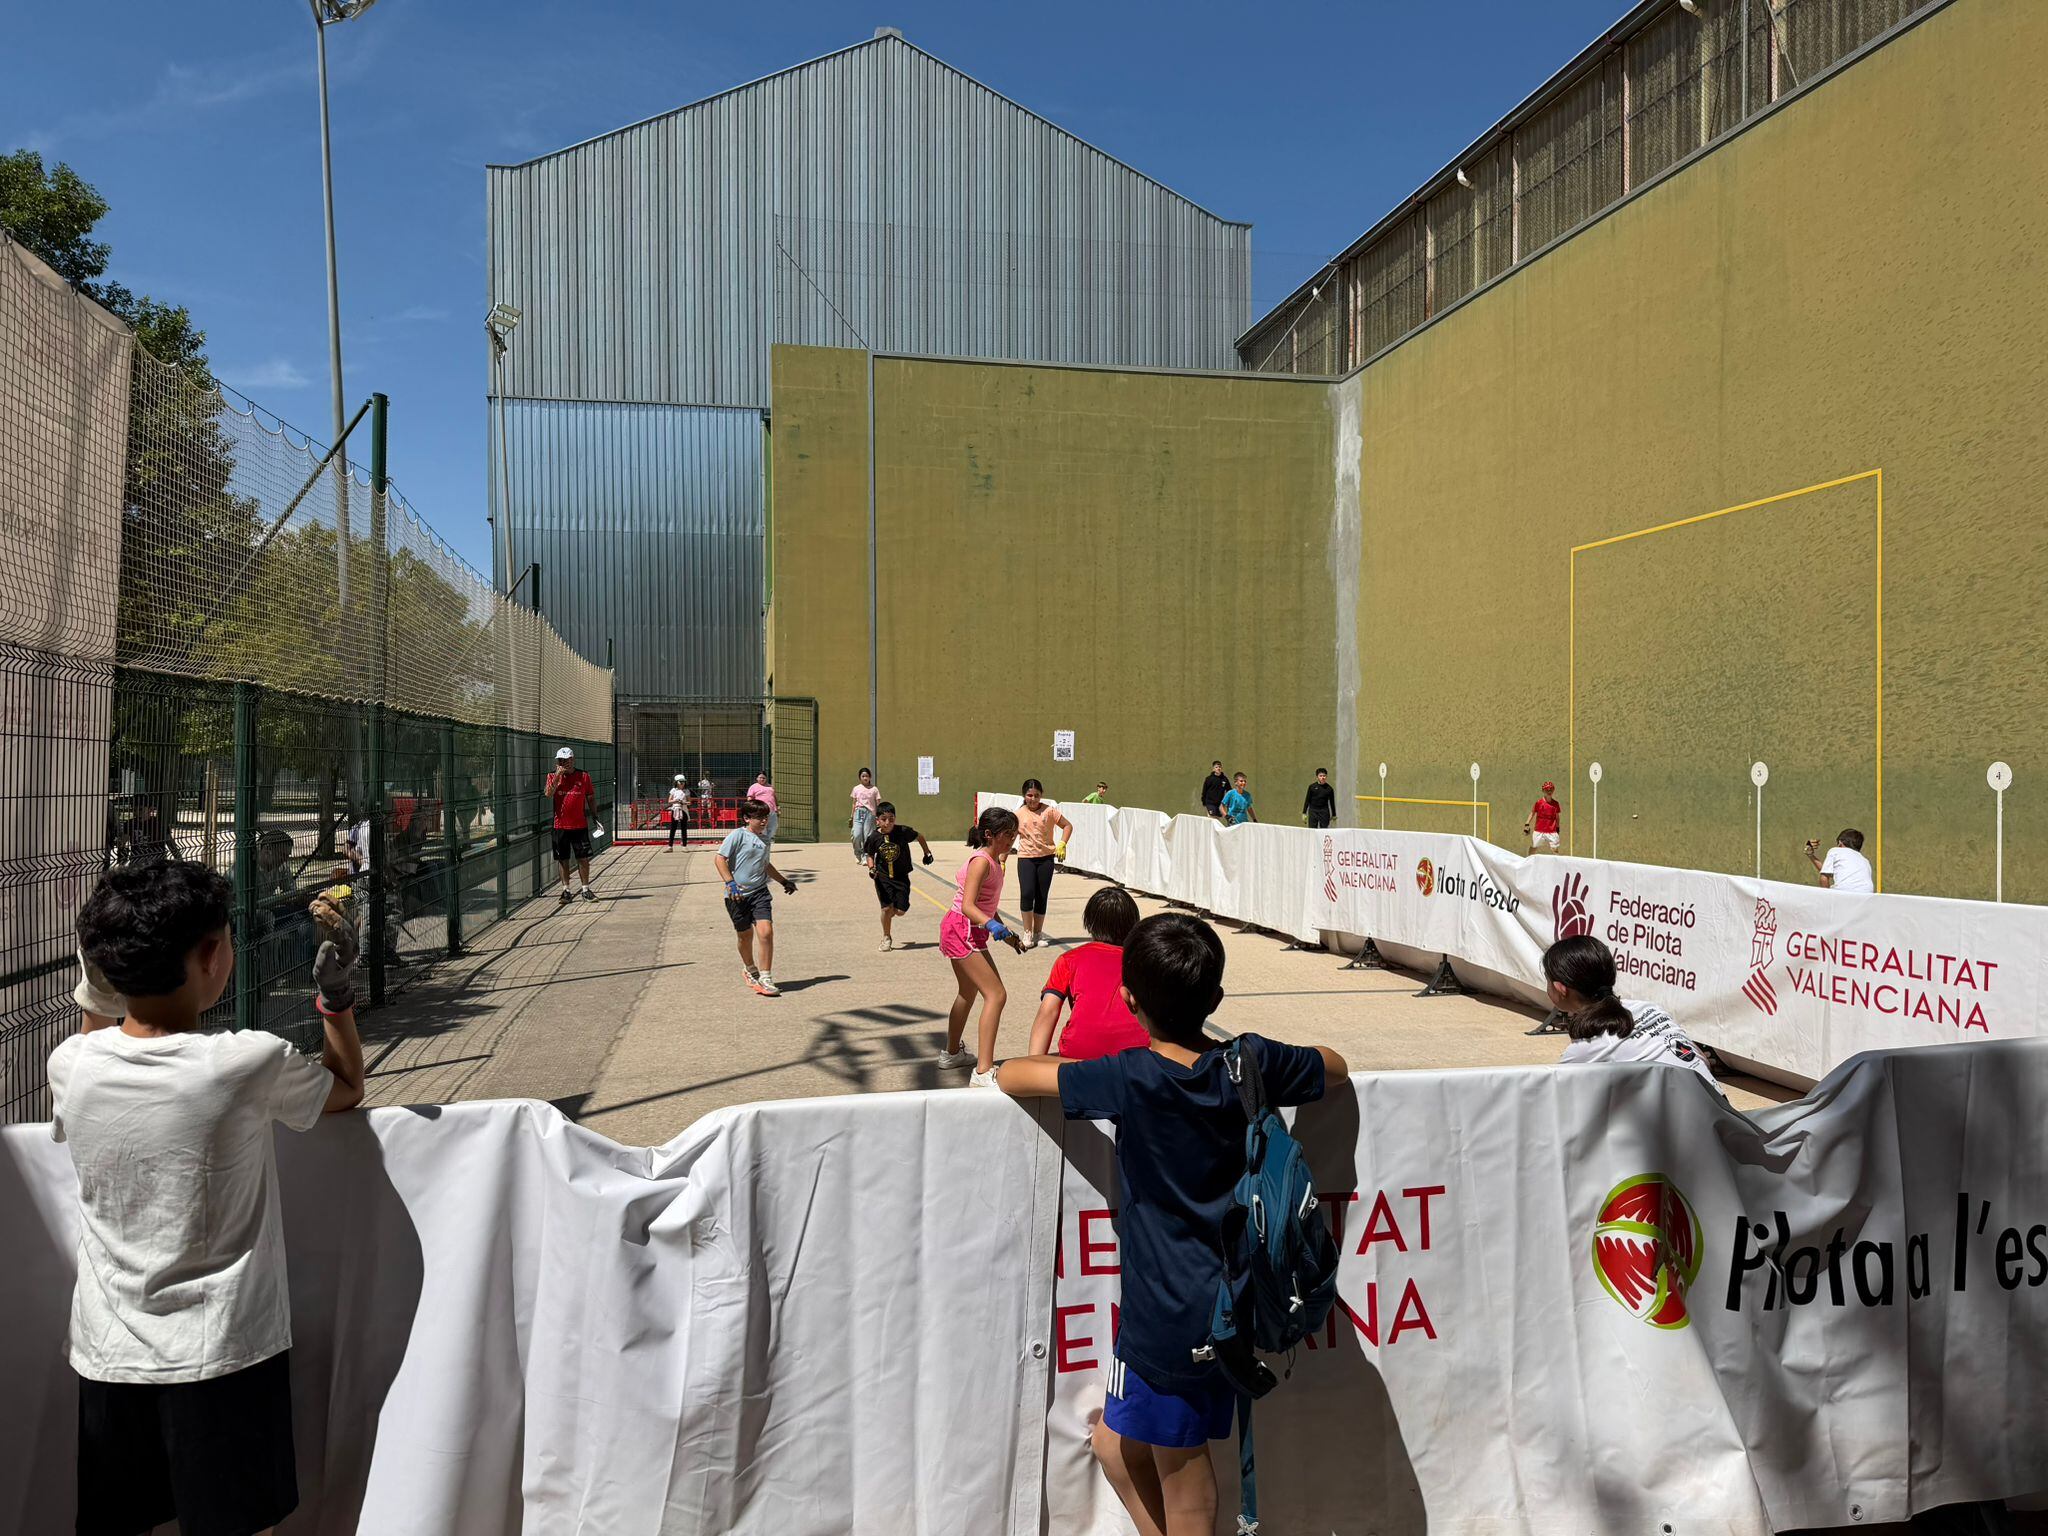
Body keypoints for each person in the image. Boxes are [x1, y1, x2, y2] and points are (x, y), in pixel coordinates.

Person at [997, 913, 1346, 1536]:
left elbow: (1016, 1074)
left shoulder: (1130, 1077)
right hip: (1228, 1301)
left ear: (1128, 1000)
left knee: (1185, 1488)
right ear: (1215, 999)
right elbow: (1333, 1065)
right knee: (1111, 1442)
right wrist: (1262, 1061)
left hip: (1169, 1318)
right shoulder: (1251, 1062)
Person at [53, 861, 366, 1536]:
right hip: (224, 1353)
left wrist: (99, 973)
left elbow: (94, 1029)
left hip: (109, 1354)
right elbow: (344, 1089)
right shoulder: (245, 1062)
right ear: (211, 957)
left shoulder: (71, 1067)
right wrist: (336, 998)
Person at [1542, 934, 1721, 1094]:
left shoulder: (1585, 1049)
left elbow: (1552, 1098)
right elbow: (1701, 1060)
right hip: (1723, 1112)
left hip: (1690, 1127)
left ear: (1560, 989)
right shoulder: (1649, 1008)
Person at [937, 805, 1026, 1084]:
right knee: (996, 995)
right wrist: (991, 925)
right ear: (989, 834)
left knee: (968, 992)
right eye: (1007, 834)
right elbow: (967, 905)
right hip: (961, 929)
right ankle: (984, 1071)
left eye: (1014, 834)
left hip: (969, 930)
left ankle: (951, 1054)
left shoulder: (996, 861)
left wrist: (1007, 934)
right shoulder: (981, 861)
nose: (1011, 840)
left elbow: (987, 905)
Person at [1028, 886, 1147, 1058]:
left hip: (1080, 1055)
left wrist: (1033, 1064)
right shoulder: (1146, 961)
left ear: (1089, 922)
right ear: (1133, 924)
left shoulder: (1069, 960)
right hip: (1137, 1056)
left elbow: (1048, 1012)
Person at [716, 801, 798, 996]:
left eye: (766, 817)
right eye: (759, 817)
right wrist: (730, 882)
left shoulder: (765, 839)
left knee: (766, 931)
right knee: (745, 936)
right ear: (747, 819)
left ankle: (766, 978)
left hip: (759, 893)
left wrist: (783, 881)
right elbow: (719, 859)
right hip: (736, 896)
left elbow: (765, 865)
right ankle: (749, 968)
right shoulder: (738, 835)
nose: (764, 821)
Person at [864, 801, 933, 950]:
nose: (888, 822)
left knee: (900, 911)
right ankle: (886, 937)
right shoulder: (874, 837)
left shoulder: (903, 832)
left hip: (901, 876)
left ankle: (890, 913)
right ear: (877, 820)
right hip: (882, 877)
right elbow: (869, 855)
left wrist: (927, 853)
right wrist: (871, 868)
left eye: (891, 819)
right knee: (886, 909)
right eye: (884, 819)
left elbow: (919, 836)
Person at [1014, 779, 1073, 949]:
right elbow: (1010, 837)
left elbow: (1067, 826)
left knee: (1041, 895)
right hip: (1026, 858)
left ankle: (1038, 932)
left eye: (1036, 795)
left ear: (1042, 795)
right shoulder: (1018, 814)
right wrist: (1001, 860)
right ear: (1024, 796)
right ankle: (1028, 932)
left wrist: (1062, 843)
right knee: (1027, 893)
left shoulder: (1050, 811)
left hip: (1046, 858)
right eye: (1029, 795)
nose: (1033, 799)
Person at [547, 746, 598, 902]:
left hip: (579, 825)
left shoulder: (583, 776)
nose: (564, 763)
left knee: (583, 858)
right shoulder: (552, 776)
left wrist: (595, 816)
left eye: (566, 760)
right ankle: (566, 890)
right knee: (563, 859)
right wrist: (557, 776)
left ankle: (585, 889)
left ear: (572, 759)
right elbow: (548, 794)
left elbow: (590, 797)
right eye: (560, 761)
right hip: (560, 826)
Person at [1805, 828, 1874, 892]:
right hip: (1867, 896)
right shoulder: (1865, 860)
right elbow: (1828, 871)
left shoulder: (1835, 851)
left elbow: (1824, 878)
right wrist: (1811, 855)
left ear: (1840, 843)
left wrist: (1826, 899)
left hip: (1844, 894)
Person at [850, 768, 882, 864]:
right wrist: (852, 816)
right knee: (857, 835)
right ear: (860, 777)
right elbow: (854, 803)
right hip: (858, 812)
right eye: (863, 776)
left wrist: (878, 817)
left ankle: (865, 856)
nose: (865, 778)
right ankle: (857, 853)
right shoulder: (856, 788)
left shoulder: (874, 789)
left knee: (867, 836)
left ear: (870, 777)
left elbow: (878, 804)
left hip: (870, 813)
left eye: (867, 776)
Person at [1526, 780, 1562, 853]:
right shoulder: (1539, 803)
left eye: (1551, 790)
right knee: (1534, 847)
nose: (1549, 791)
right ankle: (1529, 861)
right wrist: (1527, 824)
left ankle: (1557, 863)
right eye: (1547, 790)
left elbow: (1557, 816)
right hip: (1539, 830)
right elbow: (1532, 813)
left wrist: (1557, 827)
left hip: (1552, 831)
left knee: (1555, 849)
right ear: (1543, 790)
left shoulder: (1556, 804)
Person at [750, 771, 780, 844]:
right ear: (757, 778)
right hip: (761, 810)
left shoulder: (770, 786)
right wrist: (753, 808)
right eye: (760, 778)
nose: (762, 779)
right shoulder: (754, 786)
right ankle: (762, 840)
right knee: (762, 825)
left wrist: (778, 807)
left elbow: (774, 797)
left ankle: (768, 839)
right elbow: (750, 798)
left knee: (774, 825)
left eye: (764, 778)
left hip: (772, 810)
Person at [666, 774, 692, 851]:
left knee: (684, 828)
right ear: (676, 782)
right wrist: (676, 801)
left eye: (683, 782)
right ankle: (670, 846)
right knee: (673, 828)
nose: (682, 783)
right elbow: (669, 801)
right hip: (675, 810)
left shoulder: (686, 791)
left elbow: (689, 802)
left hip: (683, 810)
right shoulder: (673, 790)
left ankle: (684, 846)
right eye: (680, 782)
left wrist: (683, 802)